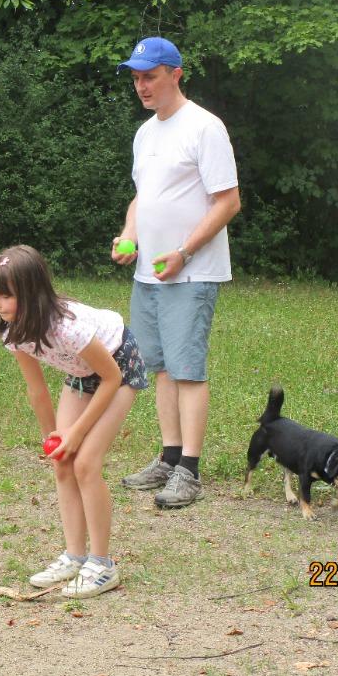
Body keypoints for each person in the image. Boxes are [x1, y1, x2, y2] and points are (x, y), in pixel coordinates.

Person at [112, 37, 241, 508]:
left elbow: (228, 201)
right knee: (158, 367)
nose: (141, 85)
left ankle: (190, 470)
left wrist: (184, 252)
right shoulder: (145, 133)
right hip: (148, 274)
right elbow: (141, 198)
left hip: (191, 272)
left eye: (150, 76)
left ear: (175, 74)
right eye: (136, 77)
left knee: (187, 370)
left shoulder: (204, 128)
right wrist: (130, 236)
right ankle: (167, 457)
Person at [0, 245, 148, 598]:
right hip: (81, 372)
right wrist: (54, 437)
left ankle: (102, 565)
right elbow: (37, 390)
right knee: (64, 464)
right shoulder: (12, 330)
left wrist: (76, 432)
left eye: (5, 295)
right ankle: (75, 557)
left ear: (31, 293)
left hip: (116, 366)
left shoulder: (67, 328)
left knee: (86, 464)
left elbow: (111, 377)